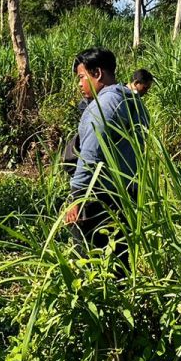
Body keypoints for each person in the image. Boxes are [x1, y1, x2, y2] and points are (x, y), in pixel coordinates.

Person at [63, 47, 149, 255]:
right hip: (128, 192)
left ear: (98, 73)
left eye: (82, 77)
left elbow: (90, 156)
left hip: (98, 196)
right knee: (120, 255)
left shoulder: (104, 105)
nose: (79, 84)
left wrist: (76, 198)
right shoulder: (134, 101)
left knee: (90, 256)